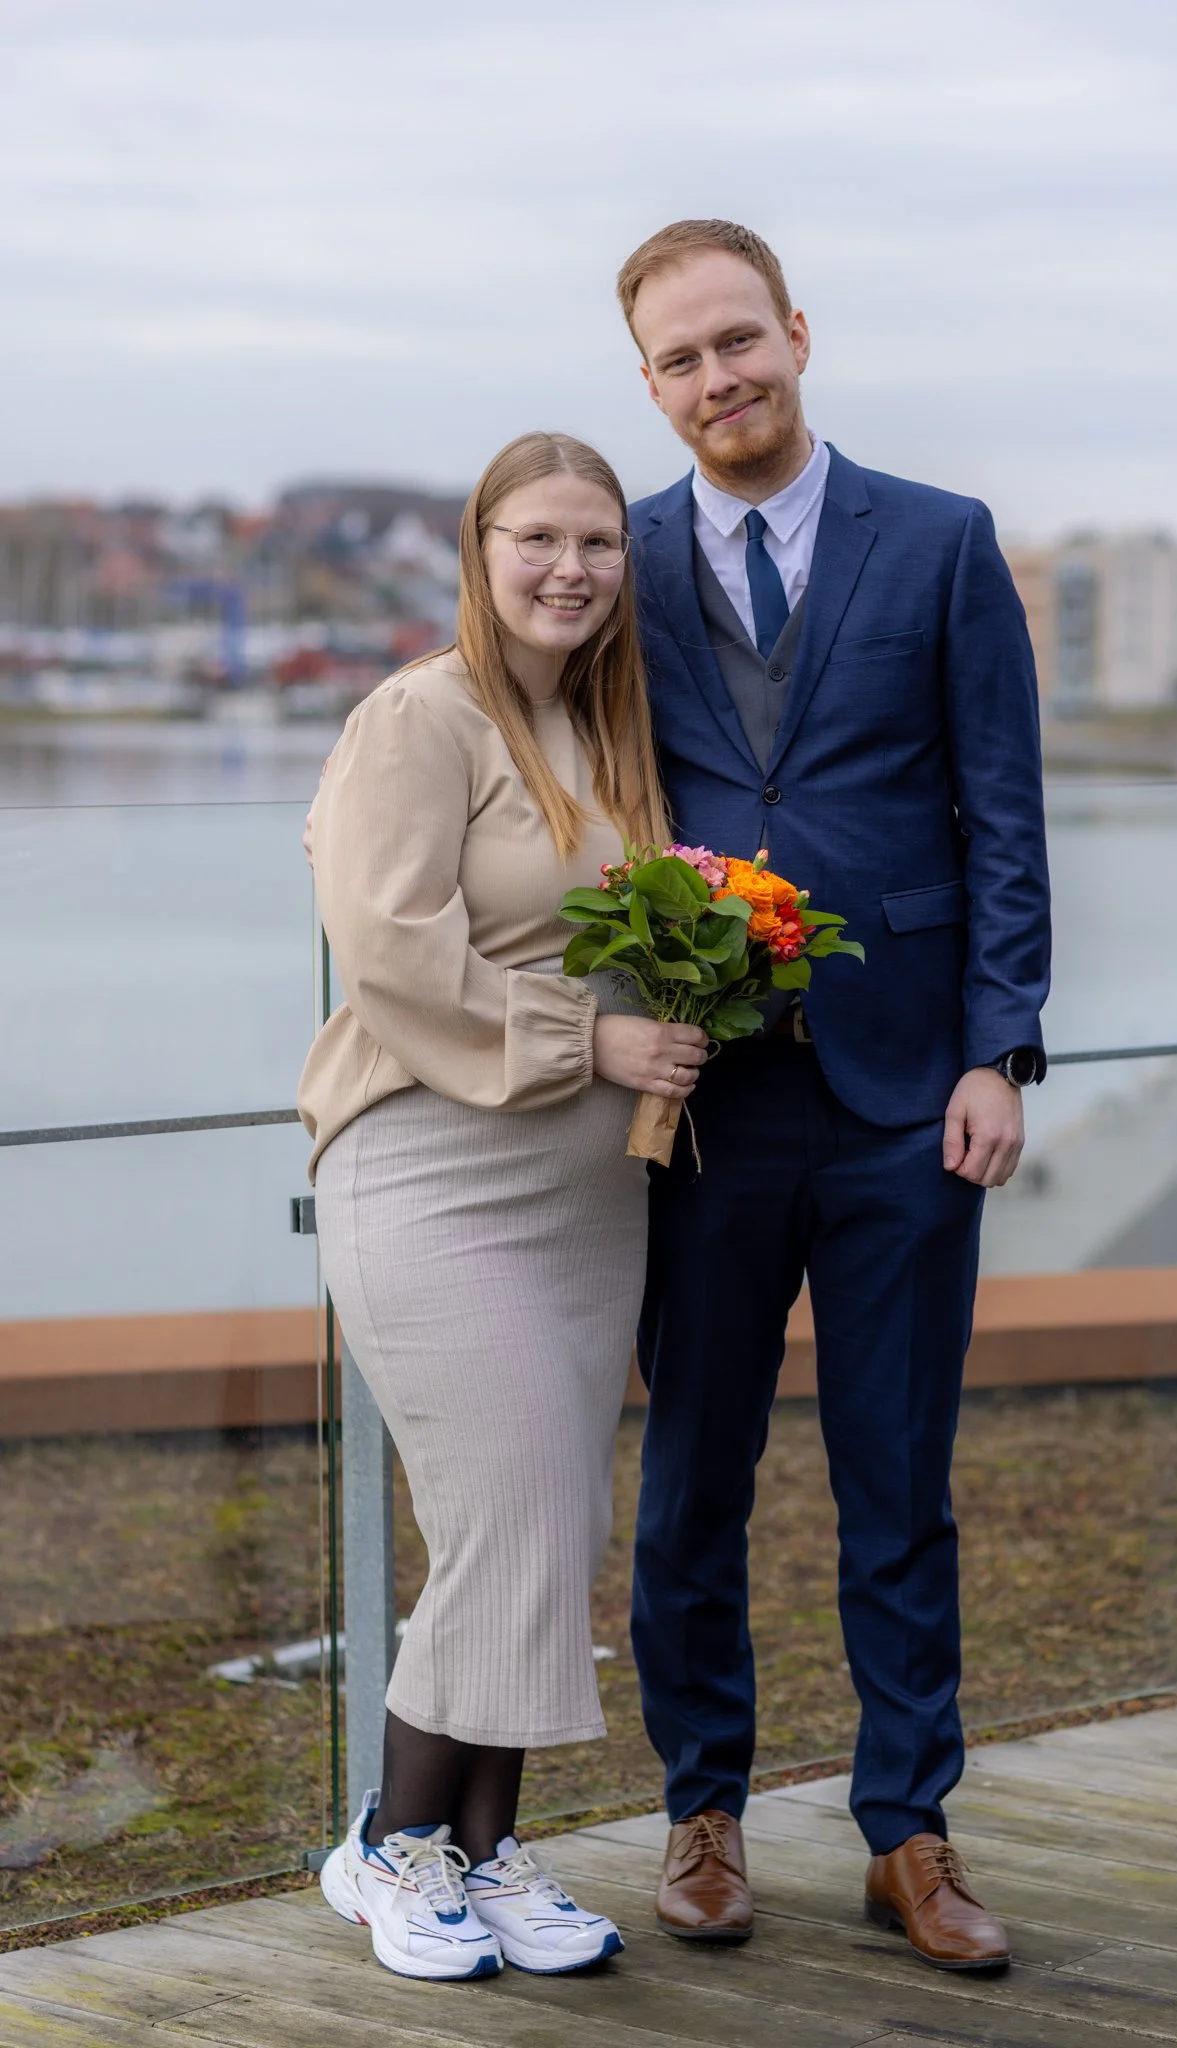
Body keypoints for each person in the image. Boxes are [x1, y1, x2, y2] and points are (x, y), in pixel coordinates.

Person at [617, 220, 1051, 1969]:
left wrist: (998, 1043)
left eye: (740, 339)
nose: (719, 378)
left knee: (898, 1476)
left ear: (796, 332)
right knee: (690, 1481)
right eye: (680, 359)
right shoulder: (613, 560)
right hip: (702, 1103)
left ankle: (909, 1832)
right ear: (646, 385)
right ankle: (700, 1812)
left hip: (901, 1104)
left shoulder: (939, 541)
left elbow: (1000, 813)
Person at [297, 430, 708, 1981]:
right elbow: (390, 954)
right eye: (535, 538)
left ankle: (482, 1850)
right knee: (502, 1516)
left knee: (547, 1520)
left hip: (583, 1195)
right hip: (428, 1171)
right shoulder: (420, 715)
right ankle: (387, 1850)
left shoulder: (604, 726)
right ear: (478, 550)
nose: (568, 569)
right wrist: (585, 1038)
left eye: (597, 544)